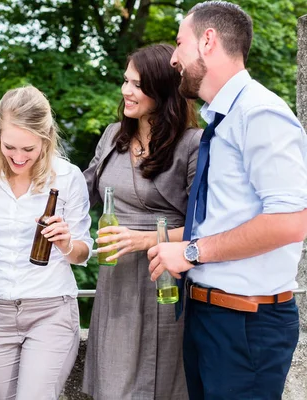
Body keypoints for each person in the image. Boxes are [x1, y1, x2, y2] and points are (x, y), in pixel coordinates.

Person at [147, 2, 307, 399]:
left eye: (179, 44)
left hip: (246, 323)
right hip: (210, 315)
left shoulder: (260, 114)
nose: (172, 58)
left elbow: (293, 221)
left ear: (208, 40)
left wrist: (192, 251)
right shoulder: (223, 119)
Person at [82, 43, 200, 400]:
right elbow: (79, 194)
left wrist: (143, 239)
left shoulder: (192, 143)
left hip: (164, 277)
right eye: (125, 81)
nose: (125, 91)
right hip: (115, 280)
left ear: (162, 88)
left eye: (136, 84)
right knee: (113, 385)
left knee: (161, 385)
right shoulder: (112, 135)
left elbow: (206, 228)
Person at [0, 85, 93, 399]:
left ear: (45, 140)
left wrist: (66, 244)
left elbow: (83, 252)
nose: (19, 157)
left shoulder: (68, 177)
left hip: (51, 311)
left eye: (29, 149)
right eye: (10, 147)